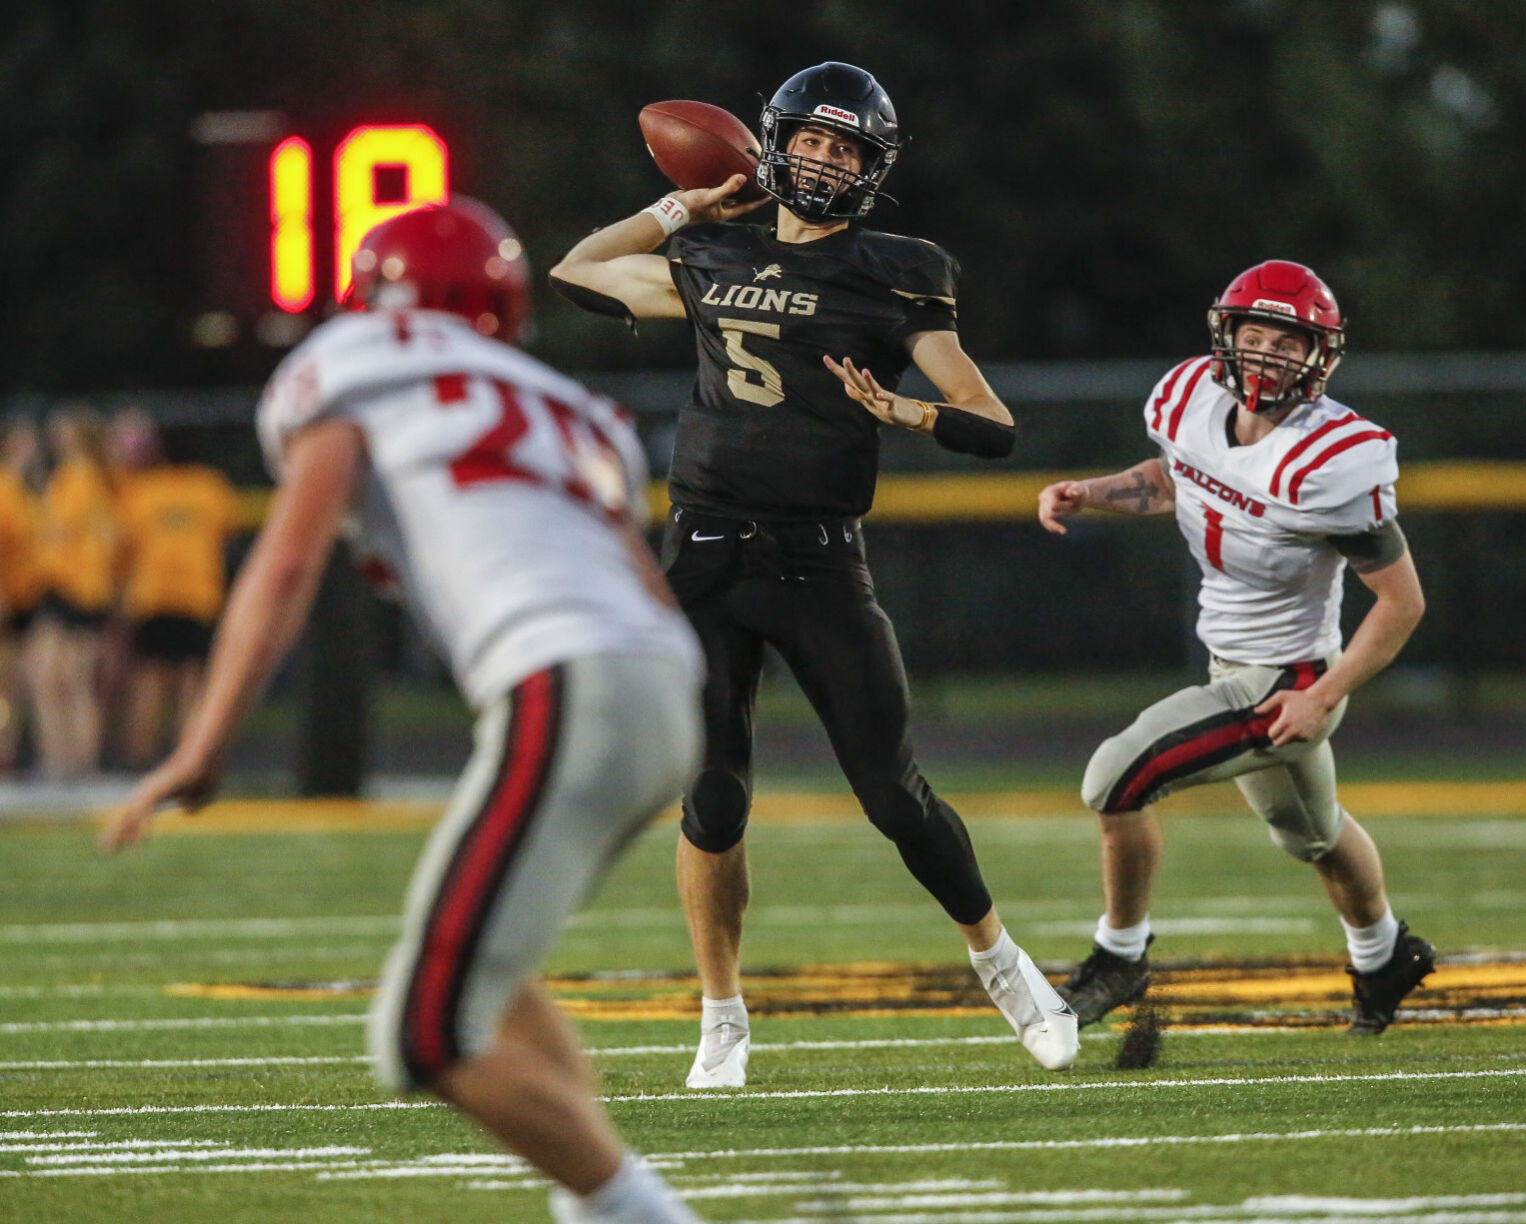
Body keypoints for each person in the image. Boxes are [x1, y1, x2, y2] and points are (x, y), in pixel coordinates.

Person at [102, 198, 716, 1224]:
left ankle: (642, 1214)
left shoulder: (354, 359)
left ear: (374, 296)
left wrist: (201, 748)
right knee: (488, 961)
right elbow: (642, 584)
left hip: (564, 684)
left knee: (425, 1031)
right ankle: (595, 1203)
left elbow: (289, 559)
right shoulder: (569, 401)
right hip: (661, 691)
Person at [553, 60, 1077, 1087]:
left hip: (818, 560)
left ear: (870, 168)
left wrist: (909, 412)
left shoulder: (896, 269)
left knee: (893, 792)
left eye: (847, 149)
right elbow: (577, 271)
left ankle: (1005, 964)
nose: (827, 161)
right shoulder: (709, 250)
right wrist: (681, 203)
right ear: (776, 144)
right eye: (813, 142)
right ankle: (721, 1017)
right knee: (712, 800)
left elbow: (994, 422)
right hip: (705, 556)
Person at [1036, 260, 1436, 1037]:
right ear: (1226, 336)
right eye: (1255, 335)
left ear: (1319, 356)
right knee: (1314, 836)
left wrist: (1322, 696)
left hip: (1289, 677)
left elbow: (1401, 601)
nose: (1267, 355)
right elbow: (1175, 479)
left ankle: (1119, 954)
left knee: (1115, 777)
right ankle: (1385, 954)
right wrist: (1094, 491)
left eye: (1288, 341)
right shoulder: (1190, 399)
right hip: (1235, 660)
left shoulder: (1333, 461)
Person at [109, 410, 240, 768]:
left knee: (150, 682)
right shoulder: (211, 486)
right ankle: (190, 756)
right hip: (199, 595)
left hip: (154, 595)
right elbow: (226, 536)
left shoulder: (142, 491)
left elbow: (124, 547)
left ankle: (141, 761)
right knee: (191, 683)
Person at [29, 407, 119, 778]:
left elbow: (80, 535)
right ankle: (68, 763)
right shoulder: (85, 477)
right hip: (73, 589)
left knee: (60, 680)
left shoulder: (79, 477)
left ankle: (67, 764)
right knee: (61, 679)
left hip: (71, 588)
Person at [0, 418, 46, 771]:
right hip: (8, 600)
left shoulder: (31, 491)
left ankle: (11, 753)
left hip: (29, 600)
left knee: (18, 684)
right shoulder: (5, 489)